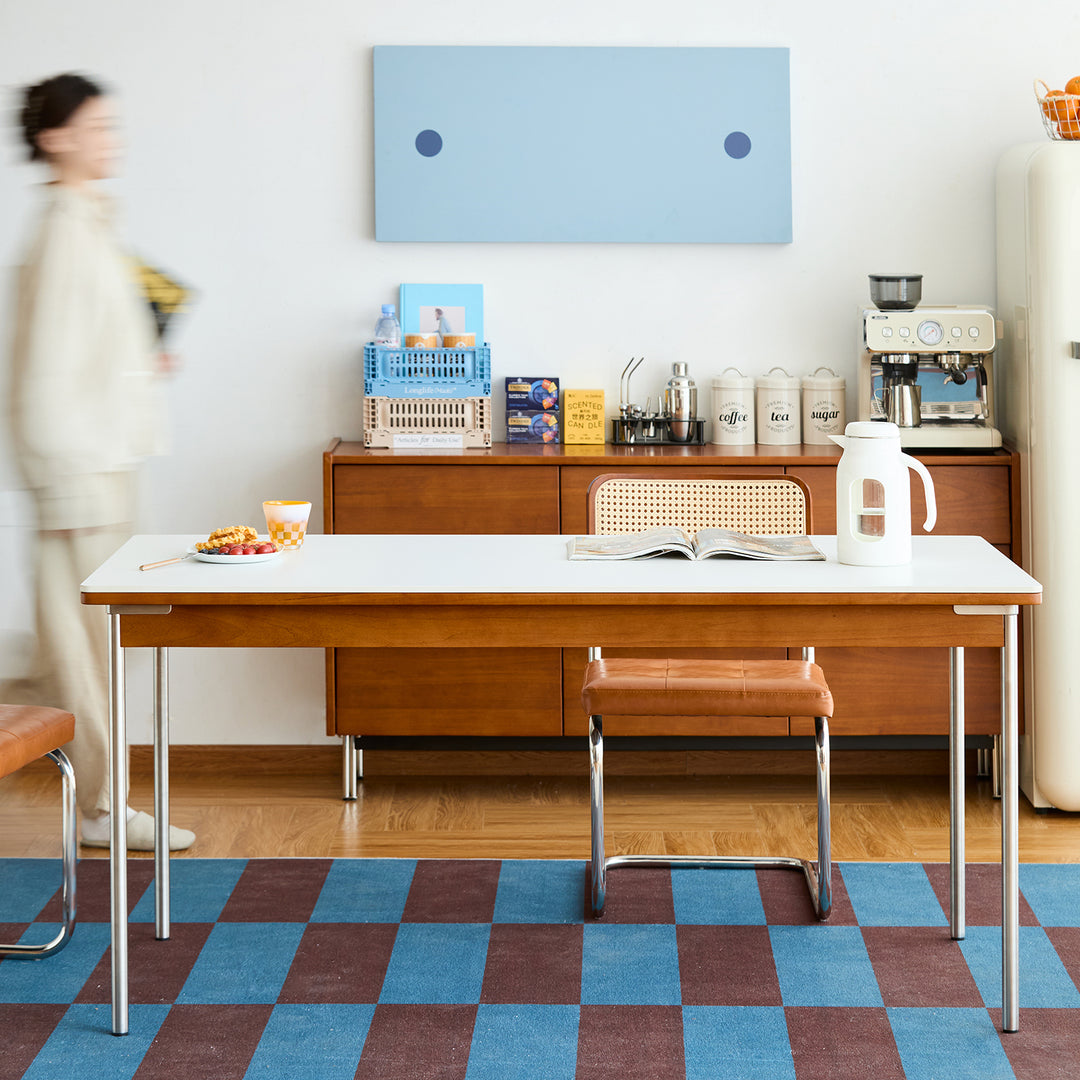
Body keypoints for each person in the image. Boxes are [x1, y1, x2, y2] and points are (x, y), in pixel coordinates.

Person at [6, 72, 194, 850]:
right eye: (96, 127)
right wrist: (59, 485)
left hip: (106, 462)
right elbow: (39, 372)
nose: (111, 140)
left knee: (83, 646)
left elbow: (89, 350)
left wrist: (139, 362)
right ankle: (103, 809)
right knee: (83, 652)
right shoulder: (63, 232)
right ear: (55, 138)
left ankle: (102, 805)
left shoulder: (92, 225)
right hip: (77, 473)